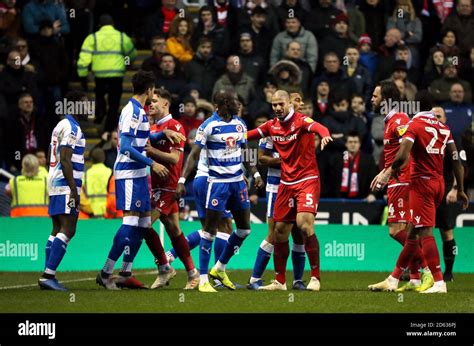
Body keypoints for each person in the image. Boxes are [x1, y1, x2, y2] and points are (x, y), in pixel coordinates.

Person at [369, 91, 469, 293]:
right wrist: (461, 189)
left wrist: (388, 173)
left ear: (416, 107)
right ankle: (396, 278)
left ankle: (438, 281)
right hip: (439, 183)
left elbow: (401, 156)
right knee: (414, 231)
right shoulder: (444, 128)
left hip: (420, 183)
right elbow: (456, 161)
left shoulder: (414, 125)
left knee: (424, 232)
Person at [176, 90, 264, 293]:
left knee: (244, 229)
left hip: (238, 183)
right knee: (209, 230)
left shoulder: (240, 123)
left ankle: (220, 268)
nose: (236, 103)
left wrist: (256, 173)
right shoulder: (208, 126)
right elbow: (194, 155)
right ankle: (204, 278)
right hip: (217, 184)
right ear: (221, 104)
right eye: (232, 100)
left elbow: (244, 151)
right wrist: (182, 179)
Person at [96, 70, 175, 290]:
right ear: (149, 90)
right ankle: (105, 272)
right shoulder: (132, 111)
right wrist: (153, 163)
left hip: (139, 175)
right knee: (130, 222)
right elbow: (127, 146)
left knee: (142, 223)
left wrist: (163, 134)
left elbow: (142, 139)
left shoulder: (138, 111)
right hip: (129, 173)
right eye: (154, 90)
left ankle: (126, 272)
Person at [247, 90, 332, 291]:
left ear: (289, 104)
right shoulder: (271, 125)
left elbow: (318, 127)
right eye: (274, 105)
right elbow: (250, 134)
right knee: (279, 231)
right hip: (286, 183)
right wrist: (229, 135)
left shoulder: (301, 120)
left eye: (280, 104)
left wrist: (325, 135)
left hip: (307, 180)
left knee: (304, 225)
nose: (277, 108)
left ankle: (315, 278)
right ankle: (280, 281)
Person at [369, 81, 429, 290]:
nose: (372, 99)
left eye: (375, 96)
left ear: (385, 100)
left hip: (403, 180)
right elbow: (395, 152)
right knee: (406, 230)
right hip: (396, 179)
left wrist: (388, 173)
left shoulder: (400, 119)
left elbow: (408, 149)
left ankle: (428, 268)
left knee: (396, 231)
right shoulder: (389, 121)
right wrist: (383, 172)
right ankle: (414, 277)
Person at [247, 93, 307, 290]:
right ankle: (256, 279)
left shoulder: (303, 126)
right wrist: (281, 161)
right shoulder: (272, 127)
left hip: (300, 185)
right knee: (274, 233)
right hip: (276, 185)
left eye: (299, 100)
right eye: (294, 100)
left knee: (299, 233)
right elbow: (261, 157)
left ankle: (297, 281)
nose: (298, 103)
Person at [143, 88, 199, 290]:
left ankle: (164, 267)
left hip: (168, 186)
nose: (150, 104)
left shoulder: (175, 126)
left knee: (144, 224)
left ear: (166, 104)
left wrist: (151, 151)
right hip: (157, 185)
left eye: (155, 101)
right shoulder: (154, 127)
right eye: (149, 101)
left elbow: (175, 159)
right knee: (174, 230)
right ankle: (193, 273)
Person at [37, 90, 88, 291]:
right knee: (69, 229)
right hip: (66, 183)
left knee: (56, 228)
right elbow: (65, 160)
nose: (88, 108)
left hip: (54, 180)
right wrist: (74, 190)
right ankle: (48, 275)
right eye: (84, 104)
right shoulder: (72, 128)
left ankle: (46, 275)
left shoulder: (60, 124)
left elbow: (56, 154)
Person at [77, 14, 137, 132]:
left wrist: (82, 75)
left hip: (100, 75)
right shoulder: (121, 36)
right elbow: (132, 52)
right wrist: (129, 61)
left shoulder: (93, 37)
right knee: (114, 101)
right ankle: (110, 123)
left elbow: (84, 58)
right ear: (113, 24)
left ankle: (100, 114)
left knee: (100, 96)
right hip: (116, 75)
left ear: (99, 25)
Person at [432, 106, 464, 282]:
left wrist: (455, 189)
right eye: (433, 116)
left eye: (438, 116)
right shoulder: (425, 136)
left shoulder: (452, 138)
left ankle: (449, 272)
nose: (435, 119)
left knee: (446, 232)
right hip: (427, 190)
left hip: (445, 192)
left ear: (445, 119)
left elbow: (460, 165)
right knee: (421, 231)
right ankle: (422, 271)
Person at [83, 148, 112, 217]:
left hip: (91, 211)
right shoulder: (110, 172)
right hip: (107, 211)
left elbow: (81, 192)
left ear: (91, 160)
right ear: (104, 158)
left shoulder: (86, 174)